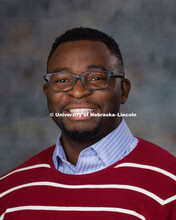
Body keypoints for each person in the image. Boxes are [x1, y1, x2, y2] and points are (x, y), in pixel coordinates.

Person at [0, 27, 175, 220]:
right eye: (62, 80)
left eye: (96, 78)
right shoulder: (8, 193)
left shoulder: (169, 186)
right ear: (47, 93)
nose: (77, 92)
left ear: (123, 91)